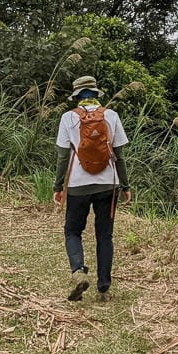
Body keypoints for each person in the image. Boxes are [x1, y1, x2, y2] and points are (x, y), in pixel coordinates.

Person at [53, 75, 132, 302]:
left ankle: (78, 271)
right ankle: (103, 289)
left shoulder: (68, 118)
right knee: (104, 235)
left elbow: (62, 157)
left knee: (72, 231)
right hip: (108, 184)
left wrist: (59, 186)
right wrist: (125, 185)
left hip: (77, 185)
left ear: (76, 96)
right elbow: (119, 156)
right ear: (96, 94)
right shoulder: (111, 116)